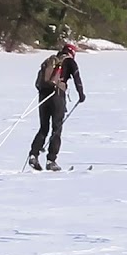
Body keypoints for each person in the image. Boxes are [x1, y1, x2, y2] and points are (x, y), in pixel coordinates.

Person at [28, 42, 86, 171]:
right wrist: (81, 95)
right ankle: (51, 160)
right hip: (57, 96)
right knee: (56, 129)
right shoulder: (70, 62)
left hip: (43, 95)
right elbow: (77, 79)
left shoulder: (51, 60)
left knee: (43, 128)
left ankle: (33, 154)